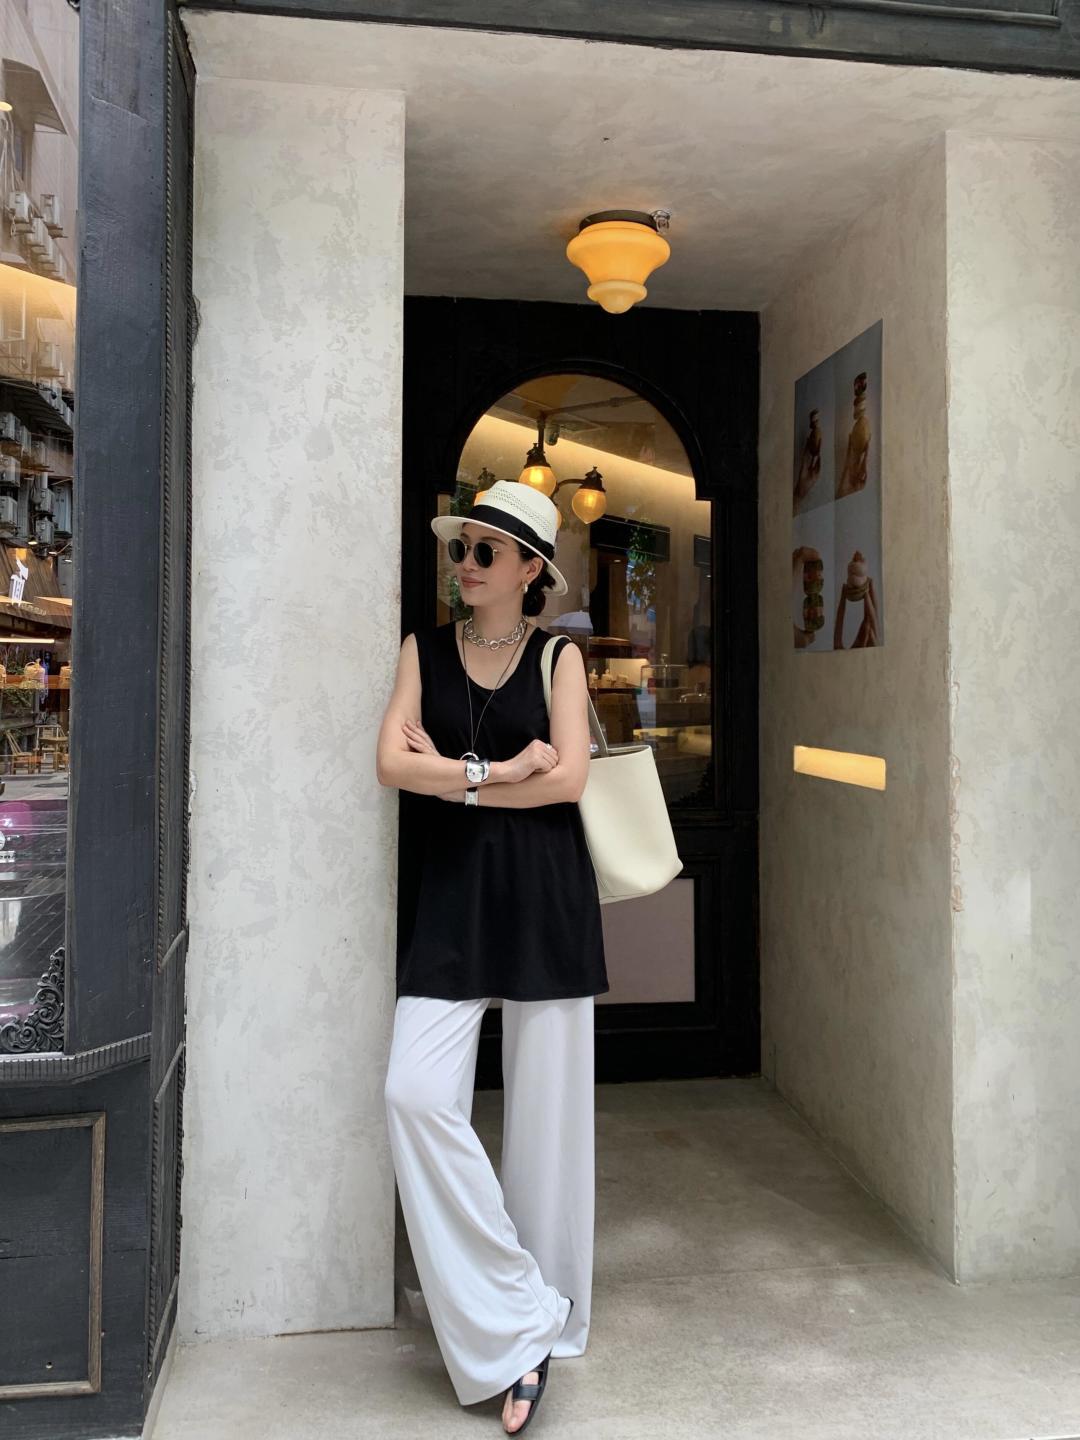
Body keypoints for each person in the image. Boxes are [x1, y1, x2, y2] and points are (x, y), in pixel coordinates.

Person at [376, 480, 609, 1433]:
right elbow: (390, 765)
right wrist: (495, 773)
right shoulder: (422, 650)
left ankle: (545, 1320)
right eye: (460, 549)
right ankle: (518, 1311)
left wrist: (452, 781)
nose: (465, 565)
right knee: (414, 1094)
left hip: (545, 895)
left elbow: (570, 782)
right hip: (451, 898)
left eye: (484, 552)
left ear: (529, 571)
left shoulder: (559, 657)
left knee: (548, 1131)